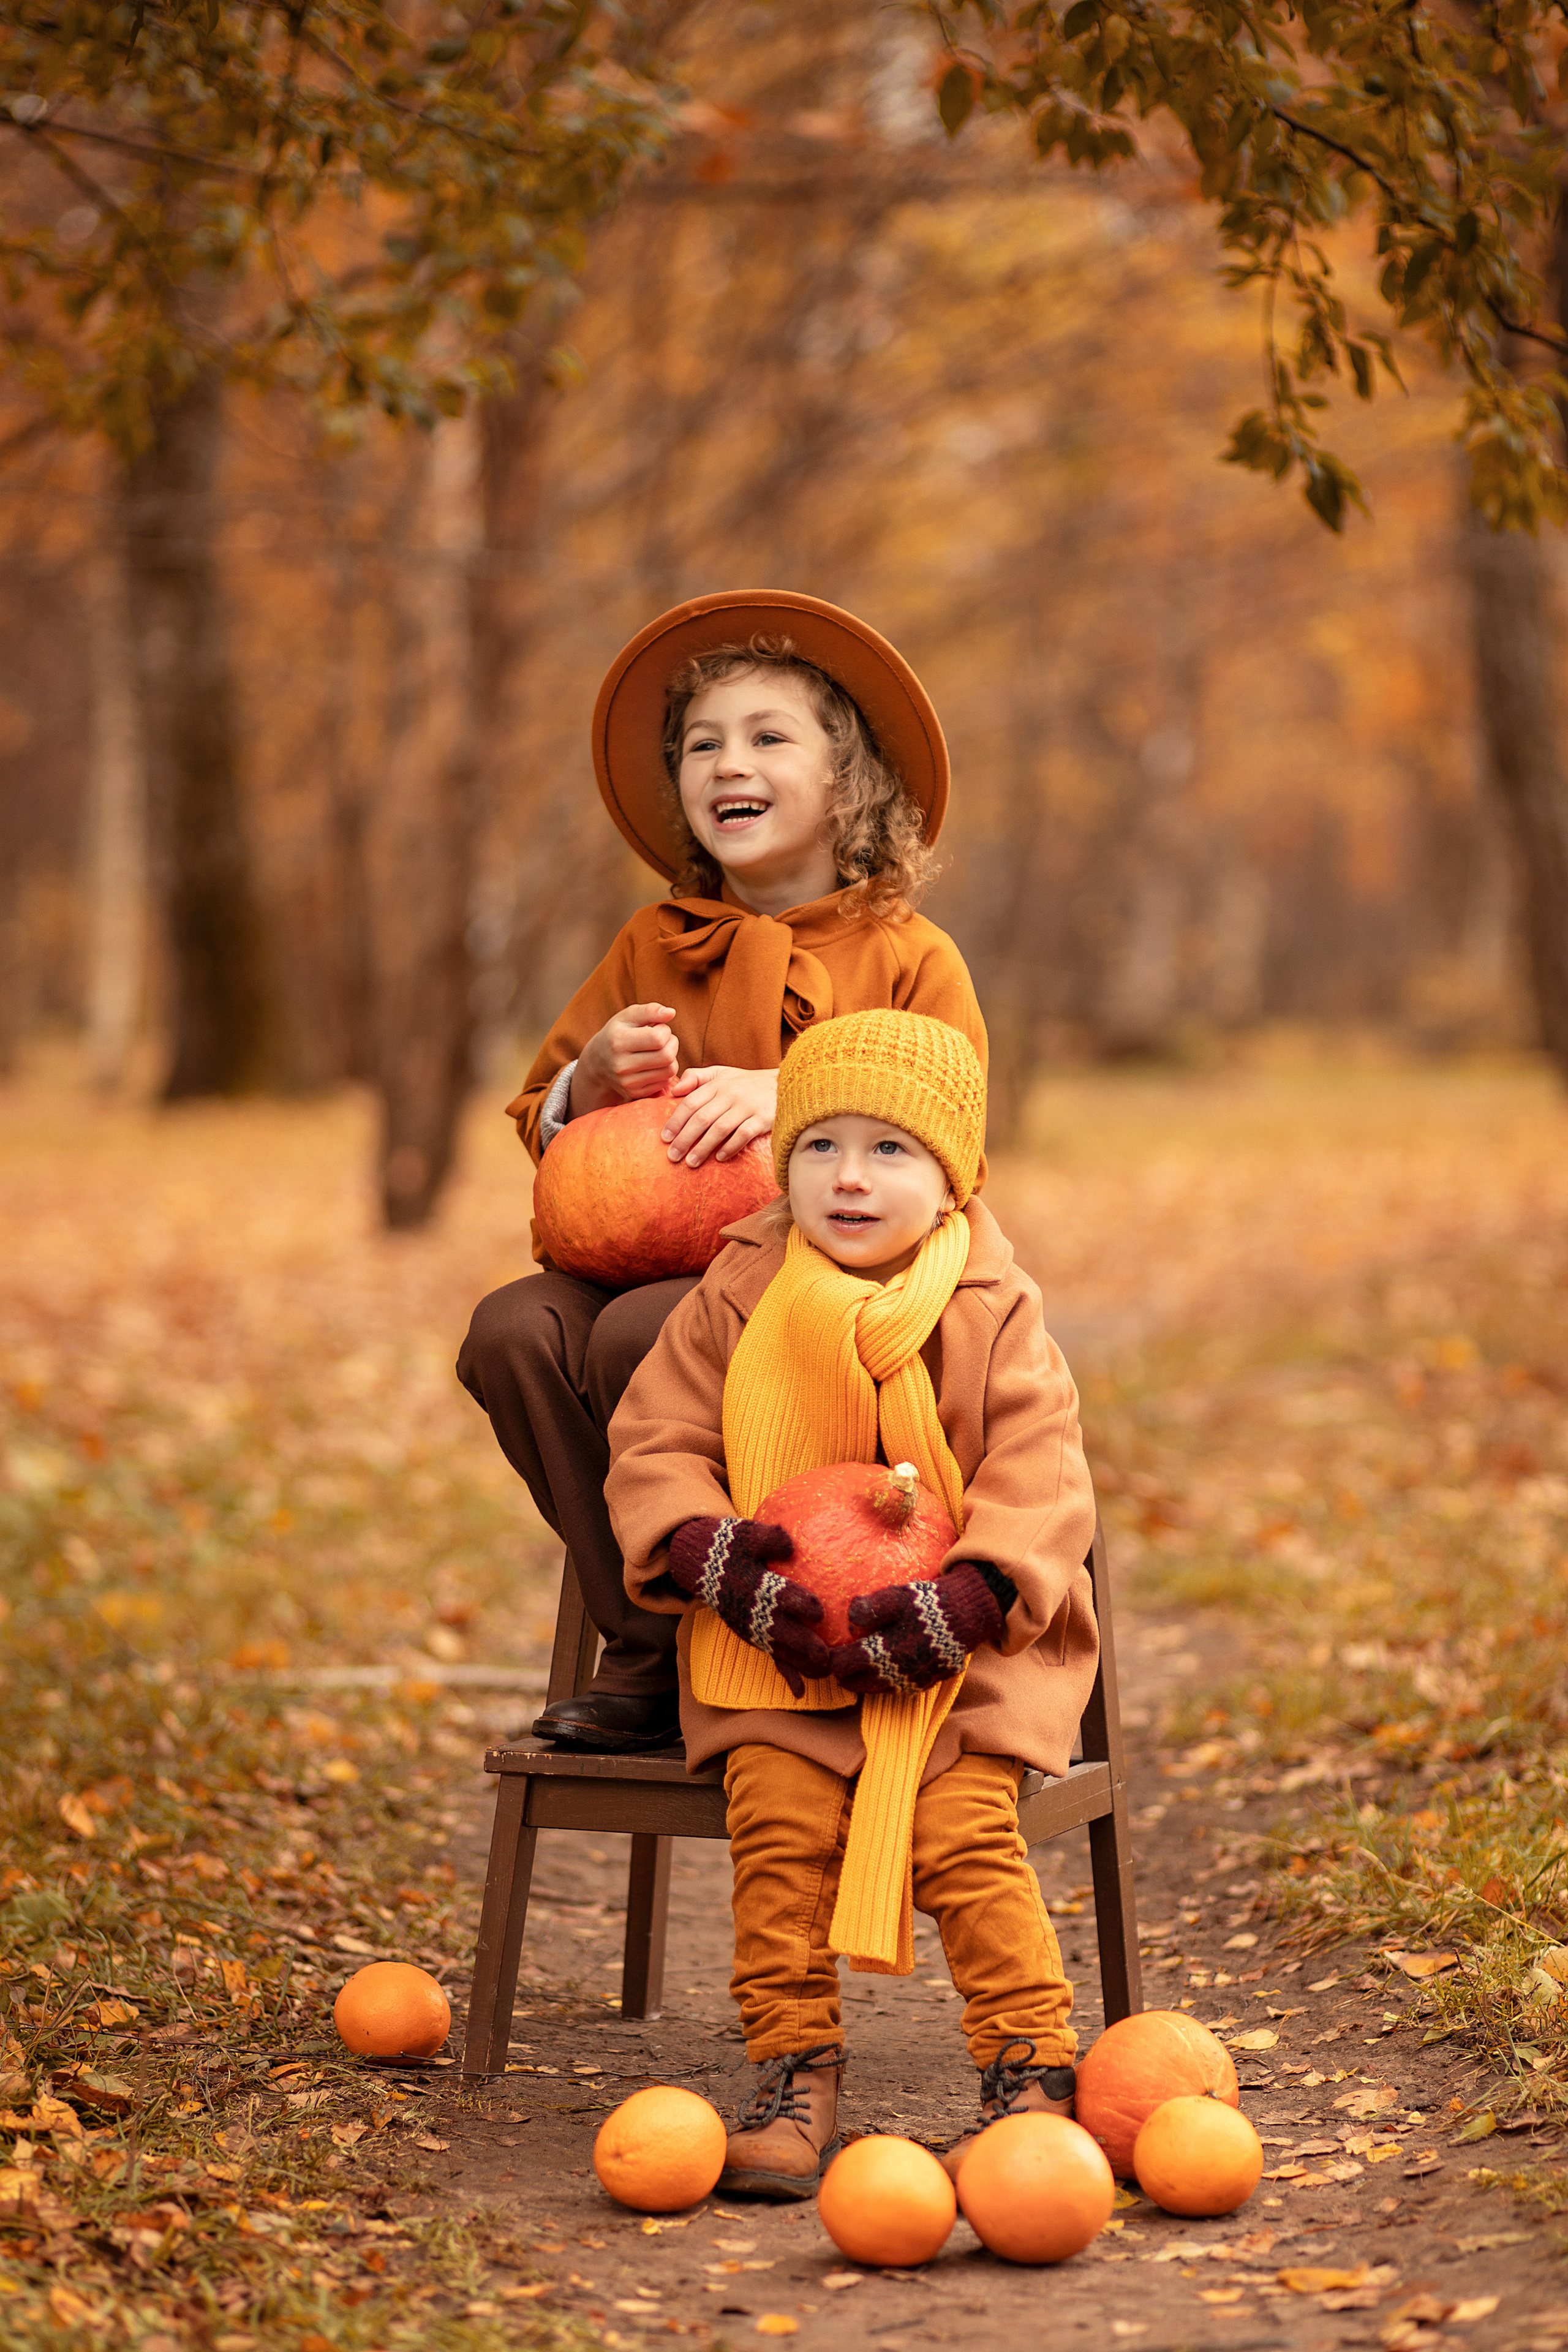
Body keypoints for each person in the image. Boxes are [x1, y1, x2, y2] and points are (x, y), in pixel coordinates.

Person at [458, 590, 986, 1754]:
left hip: (830, 1286)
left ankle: (673, 1655)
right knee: (513, 1330)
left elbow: (956, 1142)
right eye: (703, 745)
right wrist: (591, 1080)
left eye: (765, 737)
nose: (727, 763)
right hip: (639, 1257)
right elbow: (541, 1120)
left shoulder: (910, 955)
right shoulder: (655, 943)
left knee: (638, 1334)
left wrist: (795, 1095)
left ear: (848, 783)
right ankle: (654, 1621)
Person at [603, 1009, 1099, 2198]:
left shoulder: (989, 1304)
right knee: (777, 1828)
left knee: (961, 1831)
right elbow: (657, 1438)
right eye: (820, 1146)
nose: (850, 1178)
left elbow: (1041, 1468)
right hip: (780, 1640)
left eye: (889, 1150)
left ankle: (1030, 2072)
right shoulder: (739, 1289)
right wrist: (709, 1553)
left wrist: (973, 1595)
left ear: (952, 1178)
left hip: (964, 1651)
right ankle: (794, 2073)